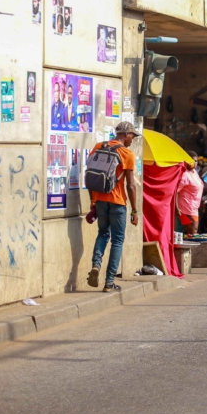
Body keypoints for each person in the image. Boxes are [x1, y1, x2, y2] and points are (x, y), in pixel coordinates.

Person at [86, 122, 140, 292]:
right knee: (117, 240)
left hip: (100, 200)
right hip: (117, 203)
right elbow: (131, 186)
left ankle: (96, 265)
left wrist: (93, 201)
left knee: (102, 234)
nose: (133, 139)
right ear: (125, 134)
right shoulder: (126, 153)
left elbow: (91, 176)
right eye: (132, 135)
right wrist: (134, 210)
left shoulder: (98, 146)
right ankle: (109, 282)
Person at [176, 162, 204, 236]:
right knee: (192, 231)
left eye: (196, 161)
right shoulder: (185, 174)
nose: (194, 163)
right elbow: (175, 191)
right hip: (186, 207)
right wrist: (176, 207)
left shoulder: (194, 172)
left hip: (194, 207)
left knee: (193, 232)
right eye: (192, 161)